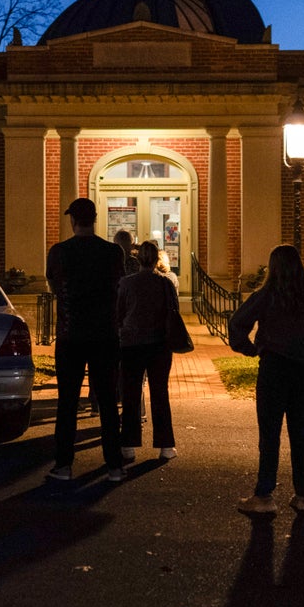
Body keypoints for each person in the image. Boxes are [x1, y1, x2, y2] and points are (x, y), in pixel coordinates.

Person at [227, 244, 304, 516]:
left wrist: (250, 348)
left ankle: (264, 494)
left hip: (274, 367)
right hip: (303, 370)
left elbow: (238, 323)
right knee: (300, 432)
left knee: (270, 433)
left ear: (273, 268)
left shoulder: (267, 296)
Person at [45, 197, 127, 482]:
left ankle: (64, 465)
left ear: (72, 220)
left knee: (67, 402)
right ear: (94, 219)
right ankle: (114, 465)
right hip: (105, 334)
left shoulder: (59, 252)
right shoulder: (113, 253)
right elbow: (119, 286)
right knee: (106, 400)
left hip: (71, 334)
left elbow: (55, 286)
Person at [116, 239, 178, 462]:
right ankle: (165, 445)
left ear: (138, 259)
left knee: (131, 394)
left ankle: (128, 445)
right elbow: (173, 312)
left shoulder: (126, 284)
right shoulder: (165, 284)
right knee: (160, 393)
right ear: (156, 260)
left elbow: (119, 313)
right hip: (159, 344)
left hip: (131, 344)